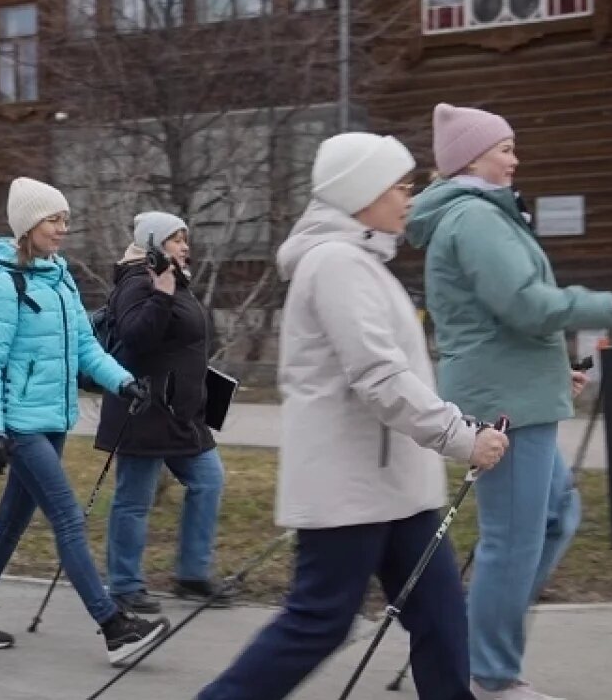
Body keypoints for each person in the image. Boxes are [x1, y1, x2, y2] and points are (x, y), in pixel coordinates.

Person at [198, 132, 509, 700]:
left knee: (440, 619)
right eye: (400, 186)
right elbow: (381, 378)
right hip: (350, 488)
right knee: (318, 622)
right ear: (362, 193)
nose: (409, 198)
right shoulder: (336, 264)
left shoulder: (361, 261)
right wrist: (460, 438)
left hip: (396, 487)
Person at [407, 105, 612, 700]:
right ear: (470, 158)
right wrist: (608, 309)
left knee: (554, 518)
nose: (515, 159)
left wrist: (551, 369)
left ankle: (481, 634)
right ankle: (490, 675)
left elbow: (504, 319)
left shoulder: (480, 215)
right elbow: (527, 304)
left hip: (519, 392)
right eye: (505, 148)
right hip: (503, 402)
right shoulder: (475, 219)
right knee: (512, 541)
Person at [0, 176, 171, 666]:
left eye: (66, 219)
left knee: (11, 520)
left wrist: (123, 382)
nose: (63, 228)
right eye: (54, 219)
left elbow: (86, 348)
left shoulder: (59, 276)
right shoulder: (6, 282)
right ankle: (115, 627)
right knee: (68, 519)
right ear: (29, 225)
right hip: (18, 425)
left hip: (52, 420)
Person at [95, 211, 232, 615]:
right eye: (176, 239)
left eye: (185, 238)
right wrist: (162, 291)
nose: (185, 246)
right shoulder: (137, 282)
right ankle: (124, 585)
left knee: (208, 481)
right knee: (134, 500)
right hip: (145, 409)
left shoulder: (172, 278)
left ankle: (192, 574)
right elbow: (137, 337)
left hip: (182, 413)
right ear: (154, 244)